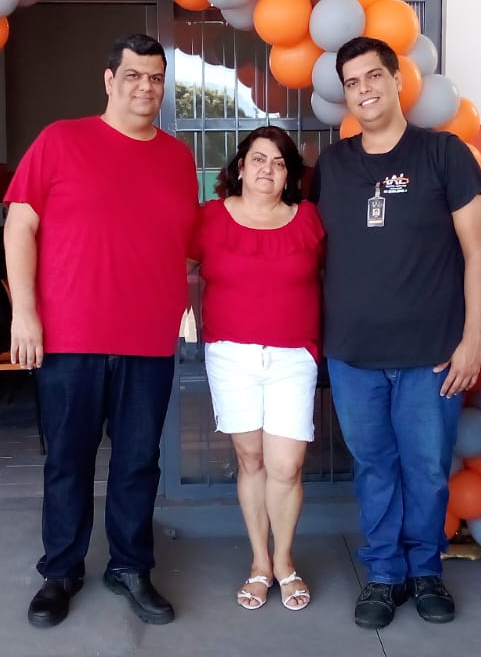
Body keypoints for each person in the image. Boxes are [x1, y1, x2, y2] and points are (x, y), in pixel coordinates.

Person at [3, 34, 198, 628]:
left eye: (156, 78)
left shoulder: (177, 158)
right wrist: (24, 312)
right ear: (109, 80)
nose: (146, 87)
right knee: (68, 460)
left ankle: (131, 566)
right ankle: (60, 570)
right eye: (134, 75)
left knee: (138, 461)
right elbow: (19, 225)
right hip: (70, 336)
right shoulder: (60, 140)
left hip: (148, 340)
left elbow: (187, 246)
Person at [311, 36, 481, 629]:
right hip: (353, 355)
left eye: (373, 76)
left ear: (397, 81)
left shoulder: (443, 154)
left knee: (427, 470)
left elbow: (479, 253)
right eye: (352, 83)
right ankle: (385, 575)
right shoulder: (332, 166)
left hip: (430, 356)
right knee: (375, 469)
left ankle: (426, 571)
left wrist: (471, 341)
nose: (363, 90)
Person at [190, 126, 325, 612]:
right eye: (259, 159)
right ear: (240, 167)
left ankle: (285, 561)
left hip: (293, 356)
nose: (268, 169)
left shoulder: (308, 219)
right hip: (231, 355)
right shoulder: (208, 218)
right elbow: (176, 267)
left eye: (279, 162)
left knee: (286, 466)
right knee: (251, 460)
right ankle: (260, 563)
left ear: (289, 175)